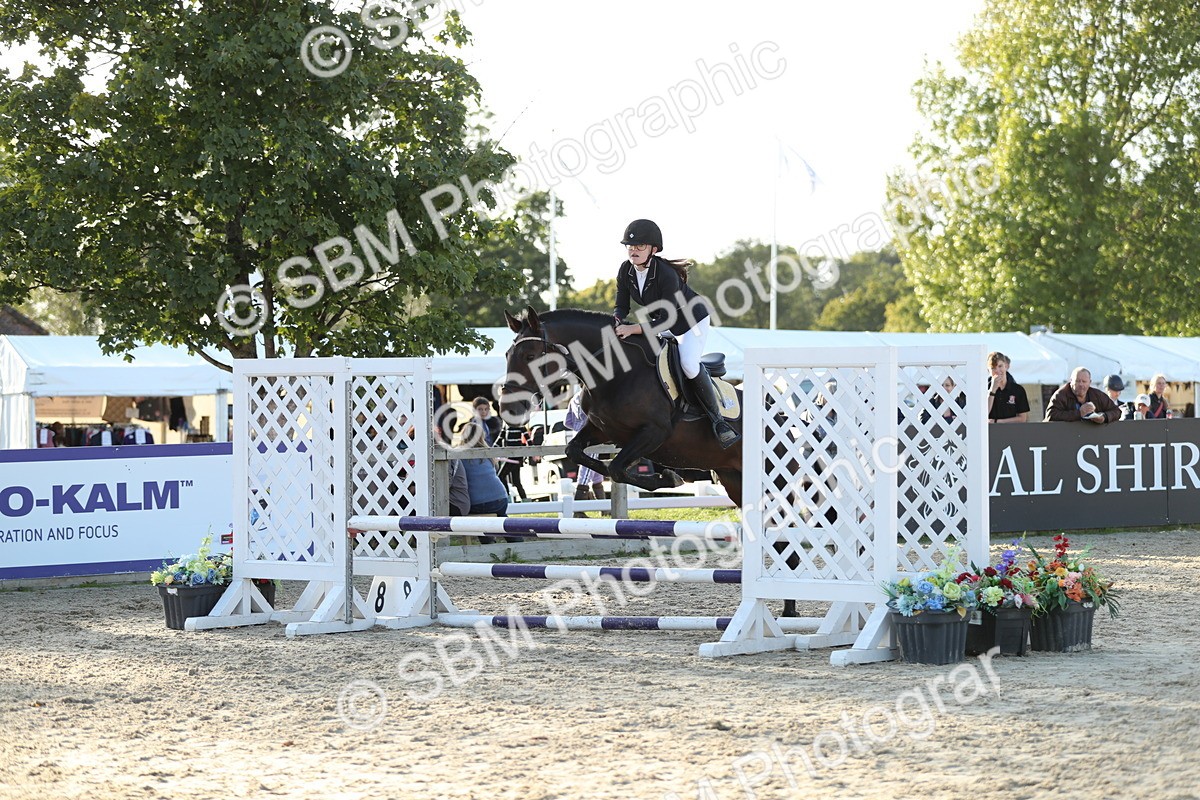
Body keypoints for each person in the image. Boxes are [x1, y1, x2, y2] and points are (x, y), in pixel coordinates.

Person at [613, 219, 740, 448]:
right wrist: (616, 321)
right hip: (663, 323)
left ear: (653, 249)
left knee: (688, 364)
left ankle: (718, 421)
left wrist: (632, 329)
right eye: (630, 246)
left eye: (640, 246)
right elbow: (622, 305)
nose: (633, 250)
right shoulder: (626, 270)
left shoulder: (665, 274)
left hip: (692, 321)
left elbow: (667, 320)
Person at [564, 389, 606, 504]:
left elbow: (567, 422)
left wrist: (577, 427)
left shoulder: (573, 399)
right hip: (589, 437)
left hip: (576, 436)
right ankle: (579, 503)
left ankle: (603, 506)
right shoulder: (590, 398)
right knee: (586, 470)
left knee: (595, 470)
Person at [1045, 367, 1121, 423]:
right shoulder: (1060, 395)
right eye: (1078, 381)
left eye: (1084, 381)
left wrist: (1104, 417)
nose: (1081, 384)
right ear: (1071, 381)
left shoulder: (1097, 395)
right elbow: (1050, 416)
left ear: (1090, 382)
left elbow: (1116, 411)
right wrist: (1079, 413)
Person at [986, 351, 1030, 424]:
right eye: (993, 368)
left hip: (1012, 430)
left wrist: (997, 422)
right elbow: (983, 414)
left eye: (1000, 366)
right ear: (988, 370)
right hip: (990, 430)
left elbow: (1022, 418)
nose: (997, 371)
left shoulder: (1018, 390)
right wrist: (992, 390)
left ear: (1006, 366)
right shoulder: (983, 389)